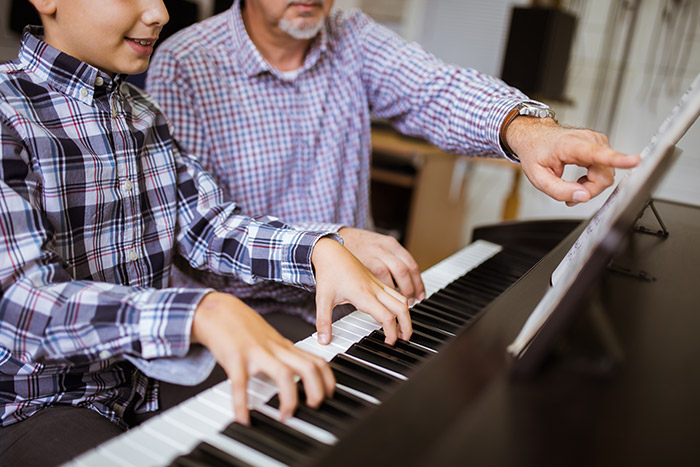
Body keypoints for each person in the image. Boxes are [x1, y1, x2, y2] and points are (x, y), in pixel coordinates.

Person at [0, 1, 411, 465]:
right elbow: (20, 302)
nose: (158, 13)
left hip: (143, 383)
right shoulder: (6, 112)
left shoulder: (140, 113)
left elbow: (207, 225)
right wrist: (202, 313)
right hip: (35, 405)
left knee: (318, 417)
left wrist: (319, 249)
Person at [146, 0, 640, 318]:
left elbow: (434, 90)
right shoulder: (184, 62)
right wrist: (328, 246)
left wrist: (528, 131)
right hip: (245, 306)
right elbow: (195, 236)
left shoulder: (348, 32)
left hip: (355, 294)